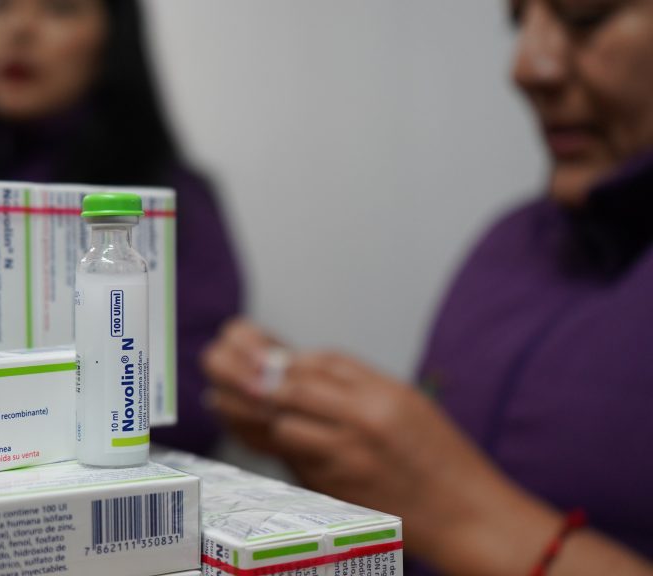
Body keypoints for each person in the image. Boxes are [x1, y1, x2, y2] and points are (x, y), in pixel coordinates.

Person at [202, 0, 653, 574]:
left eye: (584, 13)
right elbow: (420, 520)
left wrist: (460, 515)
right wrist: (319, 431)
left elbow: (445, 510)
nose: (525, 66)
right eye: (518, 19)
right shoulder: (511, 246)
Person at [0, 0, 242, 454]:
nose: (18, 29)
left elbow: (198, 401)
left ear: (113, 40)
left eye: (59, 9)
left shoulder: (174, 200)